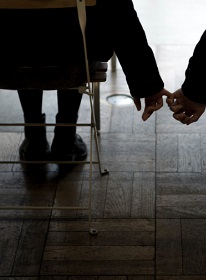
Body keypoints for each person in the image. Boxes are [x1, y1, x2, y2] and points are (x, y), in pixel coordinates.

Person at [0, 0, 170, 161]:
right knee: (77, 41)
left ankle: (34, 136)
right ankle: (66, 139)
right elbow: (122, 19)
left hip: (7, 65)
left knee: (21, 37)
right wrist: (147, 84)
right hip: (74, 64)